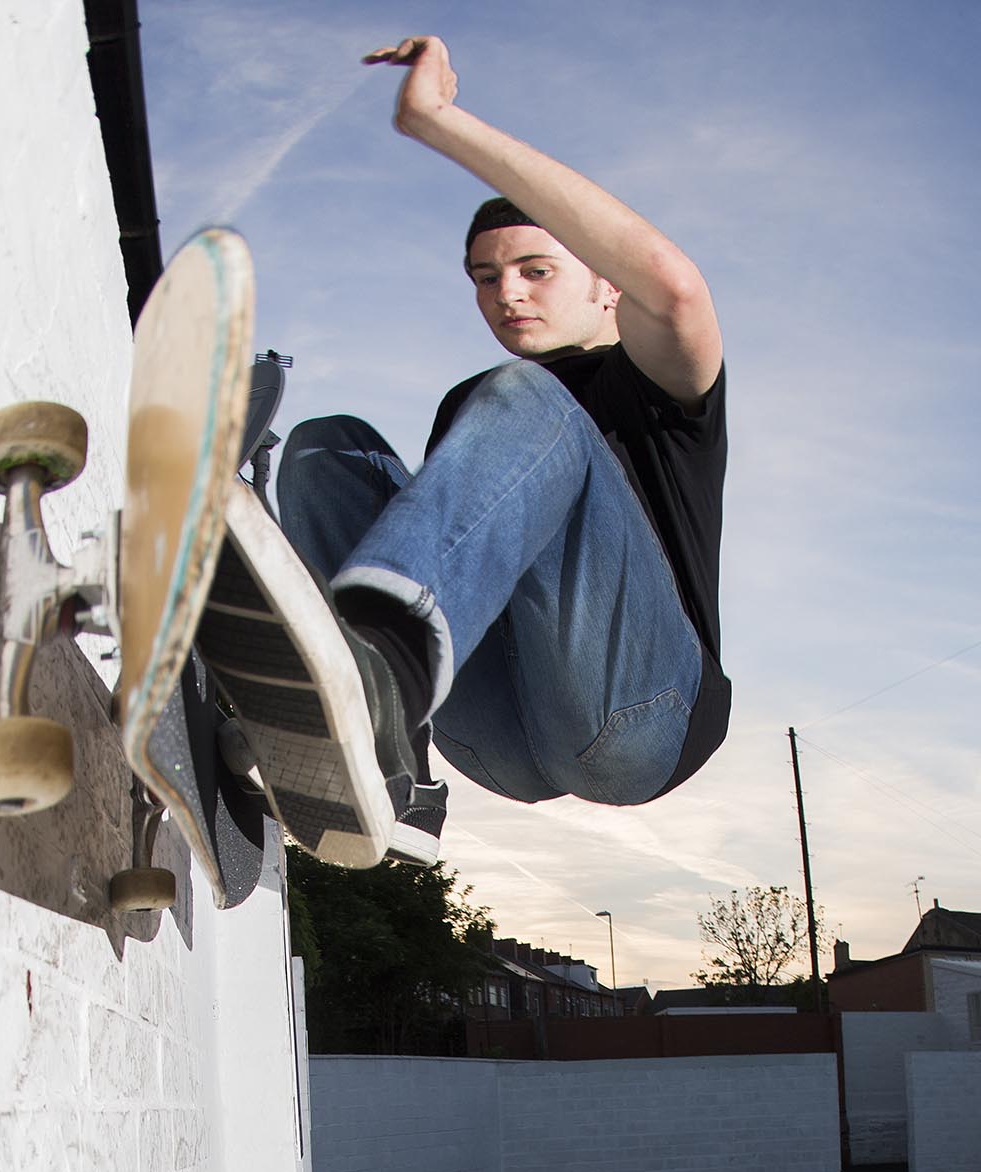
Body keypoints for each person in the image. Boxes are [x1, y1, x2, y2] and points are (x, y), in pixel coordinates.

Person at [210, 34, 730, 864]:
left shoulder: (660, 389)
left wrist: (436, 123)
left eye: (535, 269)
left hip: (638, 718)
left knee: (524, 394)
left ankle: (377, 668)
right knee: (325, 447)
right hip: (493, 742)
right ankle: (391, 765)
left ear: (604, 281)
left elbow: (672, 286)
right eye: (484, 277)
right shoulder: (475, 407)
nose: (506, 293)